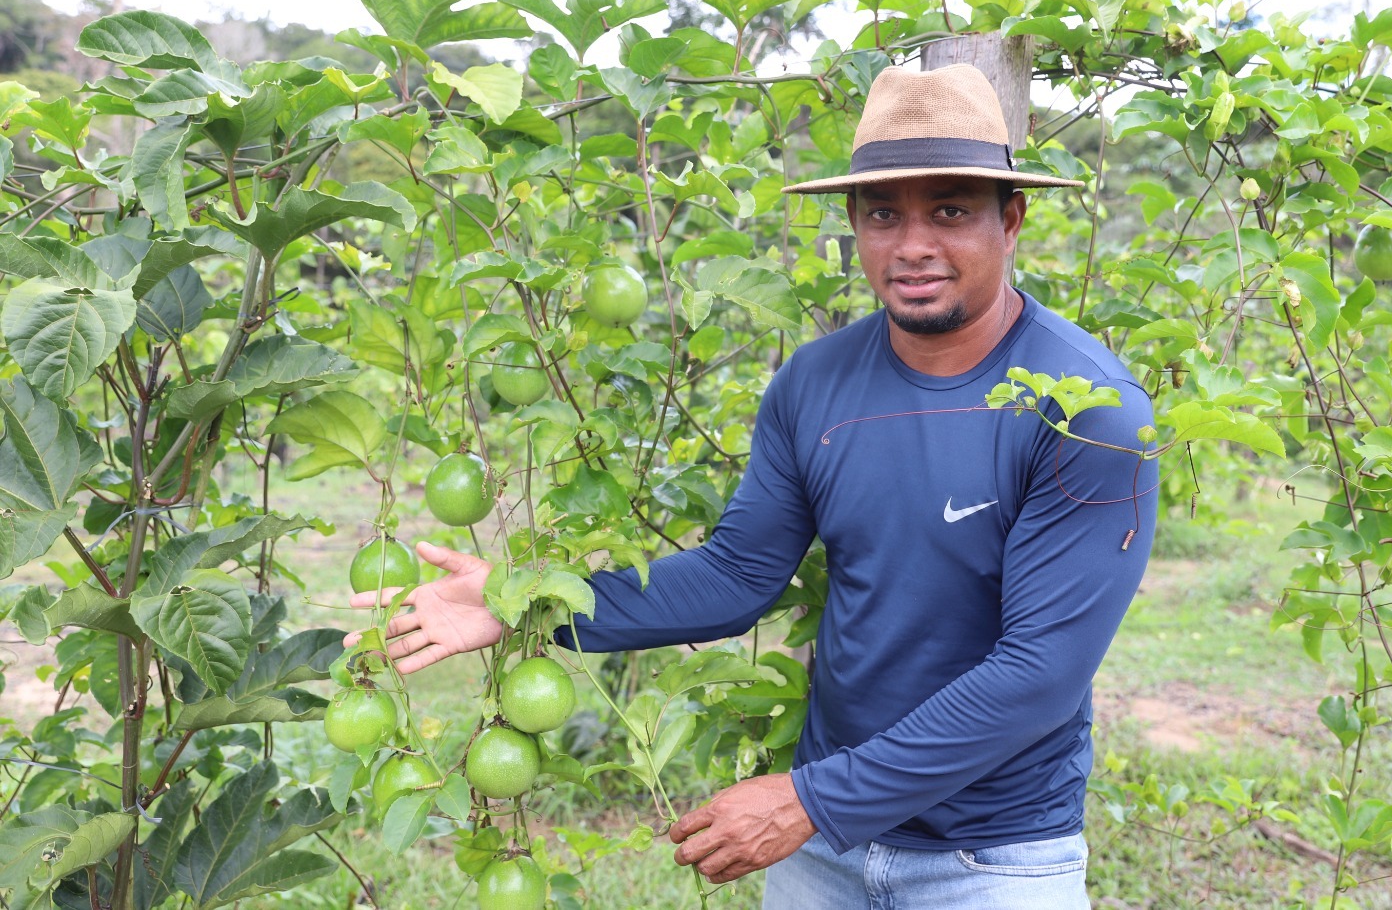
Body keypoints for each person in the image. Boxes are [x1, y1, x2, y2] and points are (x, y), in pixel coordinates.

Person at [350, 63, 1157, 909]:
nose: (913, 245)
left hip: (992, 859)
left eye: (950, 211)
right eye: (883, 214)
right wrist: (529, 604)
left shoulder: (1089, 410)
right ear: (854, 224)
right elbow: (738, 575)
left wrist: (811, 800)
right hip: (827, 855)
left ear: (1011, 219)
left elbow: (1040, 672)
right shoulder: (816, 383)